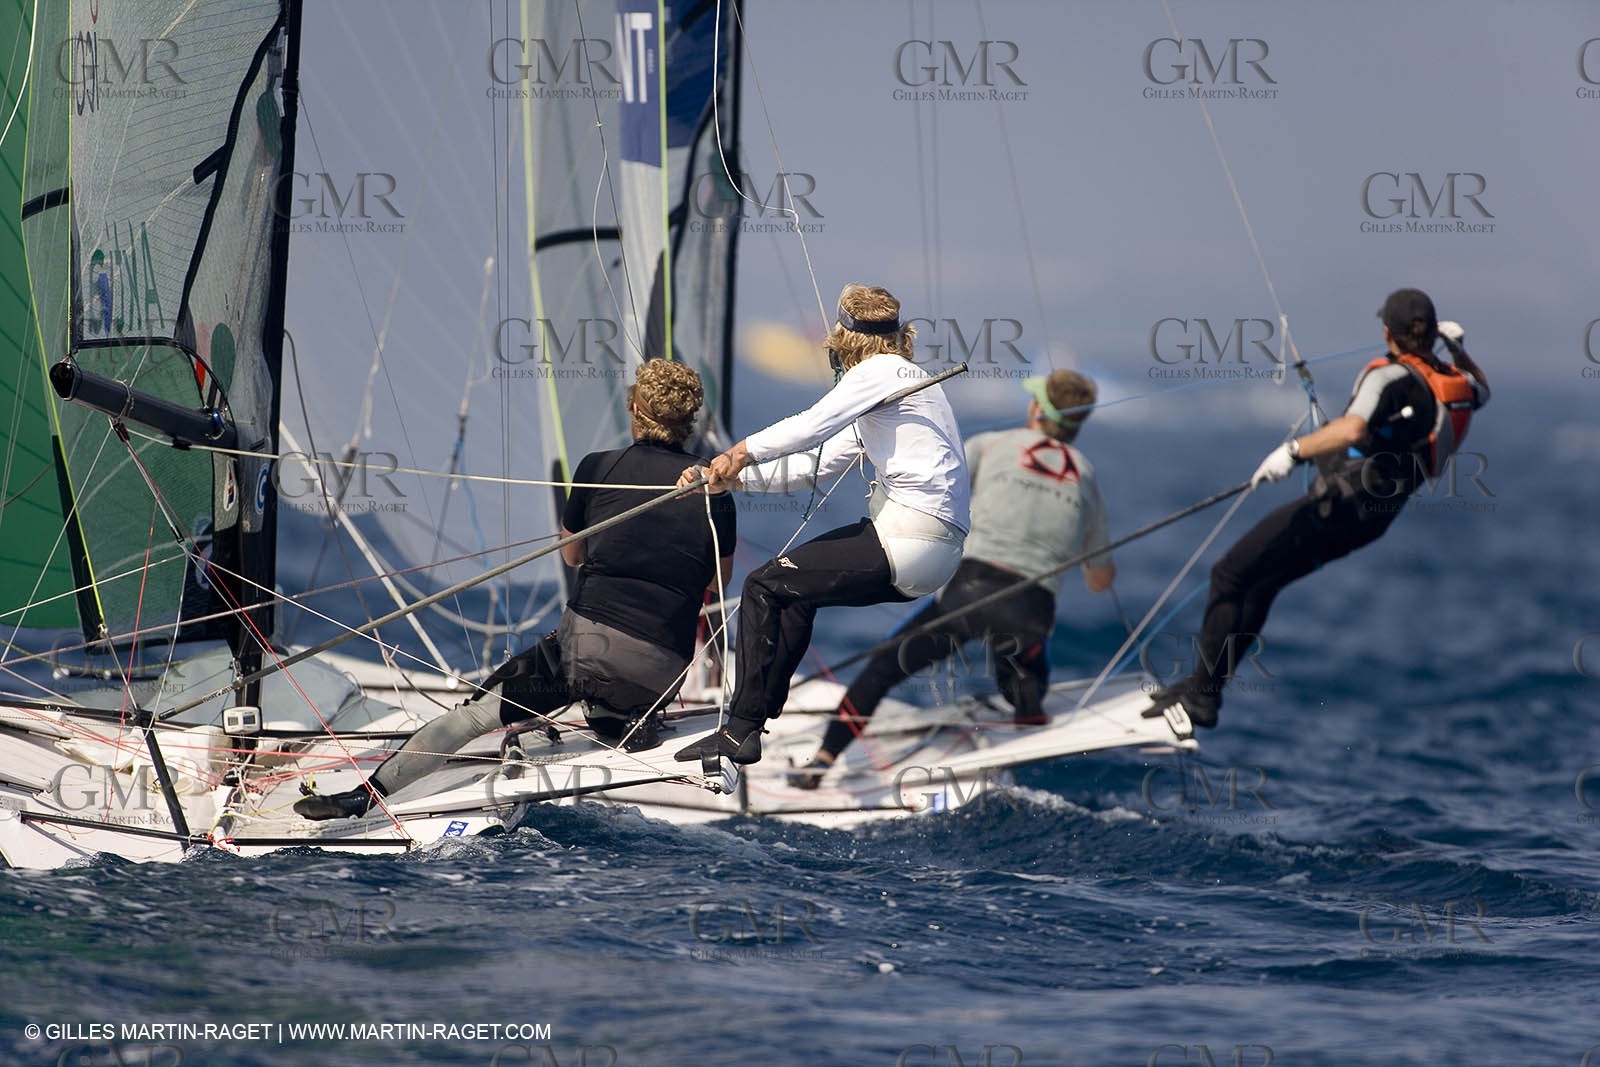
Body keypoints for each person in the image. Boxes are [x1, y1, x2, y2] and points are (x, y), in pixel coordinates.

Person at [294, 360, 735, 820]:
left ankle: (364, 797)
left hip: (584, 654)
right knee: (611, 694)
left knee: (475, 714)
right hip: (661, 672)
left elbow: (572, 556)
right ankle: (621, 719)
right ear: (688, 422)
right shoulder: (714, 489)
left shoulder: (599, 467)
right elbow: (718, 582)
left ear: (635, 410)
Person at [1143, 288, 1489, 732]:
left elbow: (1352, 427)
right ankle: (1202, 689)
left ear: (1388, 332)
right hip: (1373, 519)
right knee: (1262, 581)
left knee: (1229, 573)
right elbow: (1483, 389)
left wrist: (1293, 451)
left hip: (1341, 506)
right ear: (1433, 333)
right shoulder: (1454, 382)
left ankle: (1202, 698)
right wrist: (1458, 350)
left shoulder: (1387, 378)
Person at [672, 284, 969, 767]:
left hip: (910, 536)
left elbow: (811, 425)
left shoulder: (882, 371)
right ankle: (758, 716)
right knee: (794, 591)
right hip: (932, 555)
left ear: (848, 339)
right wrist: (730, 481)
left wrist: (738, 452)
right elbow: (812, 467)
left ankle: (740, 731)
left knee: (765, 585)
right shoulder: (894, 389)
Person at [787, 370, 1117, 789]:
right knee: (1022, 660)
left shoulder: (992, 444)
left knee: (884, 669)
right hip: (1031, 610)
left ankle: (820, 762)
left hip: (968, 594)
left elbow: (940, 491)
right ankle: (1027, 714)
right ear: (1079, 423)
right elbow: (1100, 580)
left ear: (1036, 410)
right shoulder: (1087, 477)